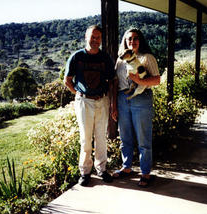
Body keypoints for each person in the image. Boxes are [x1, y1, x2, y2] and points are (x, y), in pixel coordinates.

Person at [64, 25, 115, 186]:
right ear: (86, 37)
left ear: (101, 40)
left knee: (101, 137)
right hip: (84, 101)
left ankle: (102, 169)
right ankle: (85, 172)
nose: (95, 40)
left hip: (102, 100)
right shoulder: (77, 57)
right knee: (86, 139)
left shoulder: (105, 58)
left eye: (98, 37)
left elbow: (112, 80)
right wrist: (78, 93)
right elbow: (67, 80)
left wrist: (112, 102)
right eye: (92, 37)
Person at [112, 28, 160, 187]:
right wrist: (114, 104)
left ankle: (145, 172)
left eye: (135, 38)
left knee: (143, 138)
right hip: (122, 98)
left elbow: (156, 80)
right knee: (124, 136)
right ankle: (126, 167)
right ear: (124, 42)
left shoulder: (147, 58)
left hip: (141, 99)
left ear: (140, 40)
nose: (132, 41)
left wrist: (139, 82)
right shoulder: (120, 60)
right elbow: (115, 83)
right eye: (129, 39)